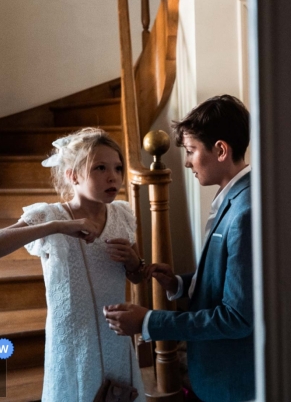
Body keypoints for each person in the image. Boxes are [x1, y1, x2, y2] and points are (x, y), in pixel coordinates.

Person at [0, 127, 147, 402]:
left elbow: (136, 277)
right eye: (100, 168)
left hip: (116, 340)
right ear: (72, 175)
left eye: (118, 168)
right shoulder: (49, 215)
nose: (113, 176)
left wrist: (135, 263)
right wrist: (57, 226)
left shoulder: (122, 214)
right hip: (72, 344)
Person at [103, 95, 254, 402]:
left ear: (221, 150)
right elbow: (232, 280)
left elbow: (237, 317)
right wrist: (181, 283)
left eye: (191, 151)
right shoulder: (234, 198)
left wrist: (148, 321)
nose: (186, 161)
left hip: (233, 380)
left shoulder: (246, 211)